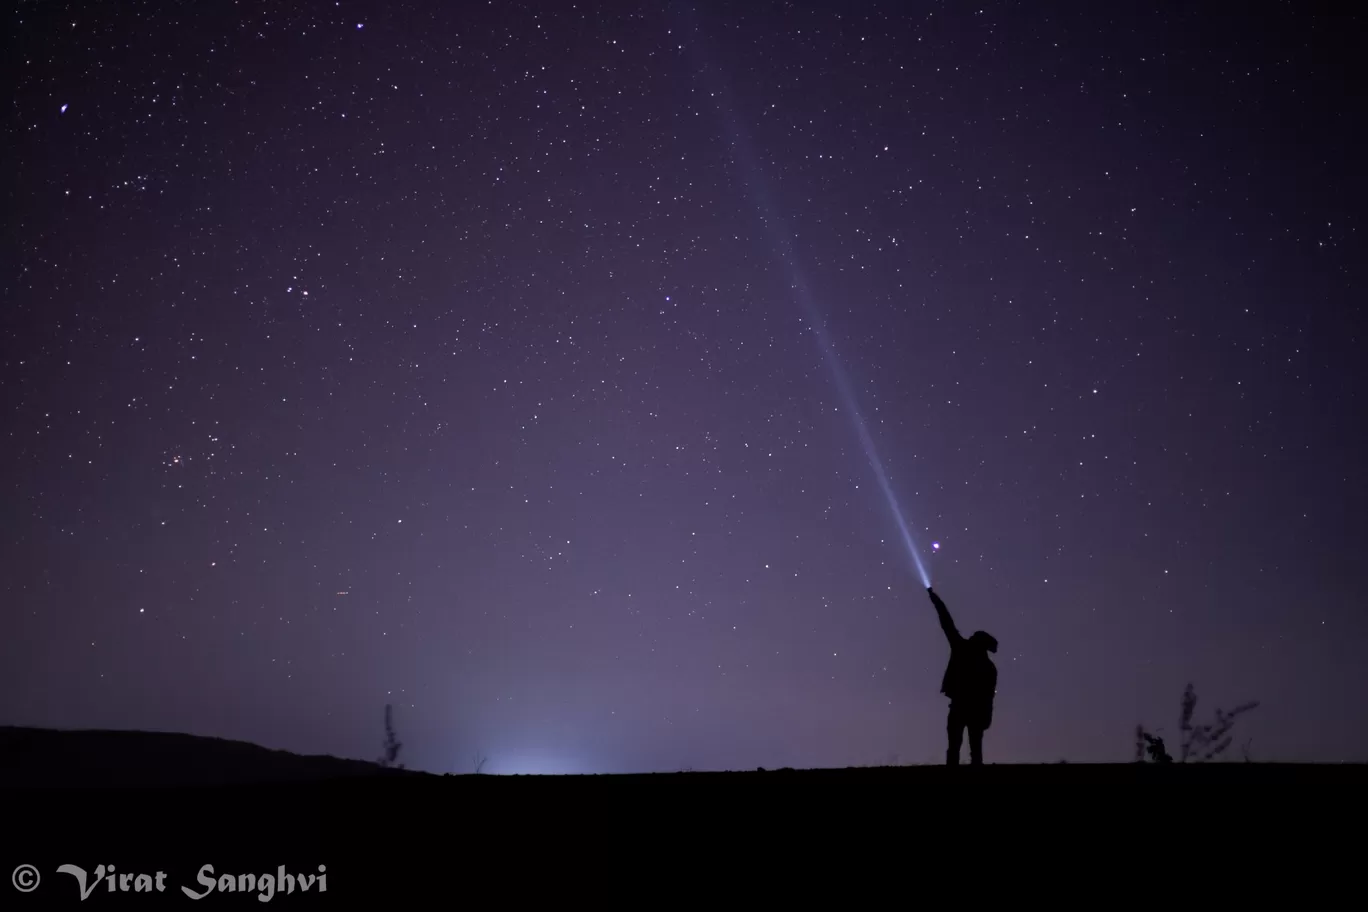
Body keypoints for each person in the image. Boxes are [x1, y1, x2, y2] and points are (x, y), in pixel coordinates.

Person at [927, 587, 998, 765]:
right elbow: (989, 695)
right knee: (974, 749)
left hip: (961, 707)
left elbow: (947, 623)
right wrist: (987, 716)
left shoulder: (962, 649)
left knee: (956, 747)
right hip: (973, 710)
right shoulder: (989, 667)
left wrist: (936, 600)